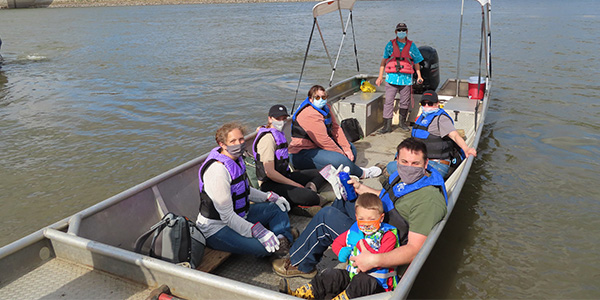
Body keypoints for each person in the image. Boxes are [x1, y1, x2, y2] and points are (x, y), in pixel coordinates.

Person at [272, 137, 447, 280]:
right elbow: (388, 197)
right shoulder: (402, 178)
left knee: (326, 217)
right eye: (404, 161)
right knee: (345, 199)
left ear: (426, 164)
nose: (409, 167)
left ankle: (301, 265)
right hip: (378, 221)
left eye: (415, 163)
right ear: (397, 160)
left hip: (383, 242)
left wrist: (373, 259)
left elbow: (414, 250)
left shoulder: (428, 200)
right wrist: (361, 188)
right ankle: (326, 245)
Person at [197, 122, 294, 257]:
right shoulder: (217, 171)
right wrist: (257, 231)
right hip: (217, 228)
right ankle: (280, 239)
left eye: (241, 139)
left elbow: (244, 190)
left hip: (241, 215)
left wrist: (268, 196)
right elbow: (227, 217)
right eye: (233, 141)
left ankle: (282, 238)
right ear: (222, 144)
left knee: (276, 208)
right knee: (263, 249)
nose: (239, 144)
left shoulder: (237, 160)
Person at [279, 193, 400, 300]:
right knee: (333, 275)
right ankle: (301, 294)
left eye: (371, 219)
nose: (366, 224)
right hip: (354, 277)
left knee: (363, 281)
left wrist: (360, 243)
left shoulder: (388, 235)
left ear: (381, 218)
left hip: (377, 285)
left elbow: (379, 259)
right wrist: (340, 251)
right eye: (361, 219)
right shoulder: (356, 230)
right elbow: (338, 242)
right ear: (356, 217)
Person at [288, 84, 382, 179]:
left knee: (352, 149)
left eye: (323, 97)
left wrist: (346, 148)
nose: (321, 100)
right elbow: (323, 140)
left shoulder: (326, 107)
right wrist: (341, 154)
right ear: (311, 99)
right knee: (341, 159)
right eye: (317, 97)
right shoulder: (309, 114)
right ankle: (363, 173)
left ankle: (345, 168)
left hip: (318, 148)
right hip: (302, 153)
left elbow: (336, 128)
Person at [253, 104, 325, 216]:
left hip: (285, 176)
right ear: (270, 119)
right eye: (277, 119)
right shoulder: (267, 139)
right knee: (311, 197)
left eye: (283, 119)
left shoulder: (278, 134)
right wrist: (295, 185)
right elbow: (270, 173)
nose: (281, 122)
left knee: (322, 173)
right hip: (270, 184)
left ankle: (297, 200)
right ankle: (303, 200)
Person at [387, 90, 477, 178]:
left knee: (392, 168)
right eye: (423, 103)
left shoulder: (441, 119)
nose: (426, 106)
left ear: (437, 104)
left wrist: (466, 149)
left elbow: (454, 135)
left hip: (437, 164)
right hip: (421, 161)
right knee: (393, 165)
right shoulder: (422, 118)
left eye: (430, 103)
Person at [375, 23, 424, 133]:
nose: (401, 32)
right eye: (399, 30)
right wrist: (380, 77)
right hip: (391, 78)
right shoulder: (390, 45)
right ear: (396, 32)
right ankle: (387, 126)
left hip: (406, 79)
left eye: (403, 30)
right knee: (388, 101)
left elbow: (416, 62)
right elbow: (383, 61)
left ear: (406, 32)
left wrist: (419, 76)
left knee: (404, 101)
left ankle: (402, 123)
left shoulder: (412, 45)